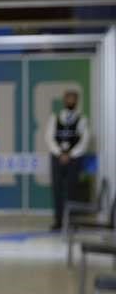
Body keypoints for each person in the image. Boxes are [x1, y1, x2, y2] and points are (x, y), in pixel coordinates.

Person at [47, 89, 91, 230]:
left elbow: (84, 141)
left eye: (73, 99)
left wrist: (70, 154)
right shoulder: (55, 117)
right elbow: (49, 138)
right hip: (57, 158)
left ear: (77, 101)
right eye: (68, 98)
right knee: (57, 190)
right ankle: (58, 221)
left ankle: (72, 222)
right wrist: (60, 153)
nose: (71, 101)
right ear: (64, 100)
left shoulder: (82, 119)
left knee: (72, 190)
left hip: (74, 159)